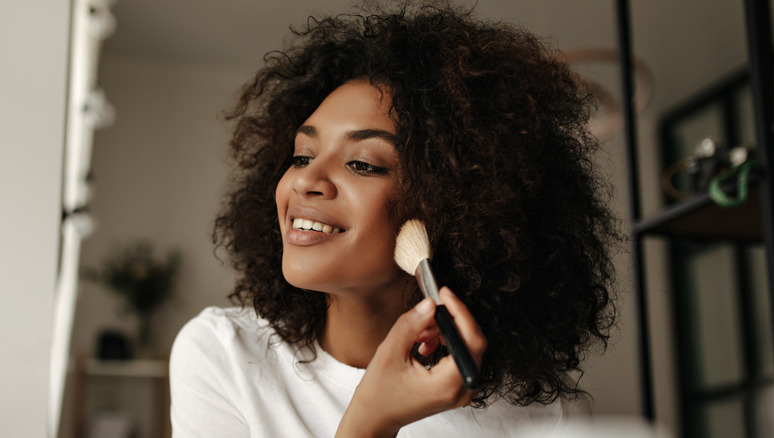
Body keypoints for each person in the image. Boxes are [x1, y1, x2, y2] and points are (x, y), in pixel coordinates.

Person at [170, 1, 620, 436]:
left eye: (363, 163)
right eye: (302, 155)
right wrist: (370, 423)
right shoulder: (224, 354)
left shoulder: (531, 418)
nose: (307, 181)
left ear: (455, 207)